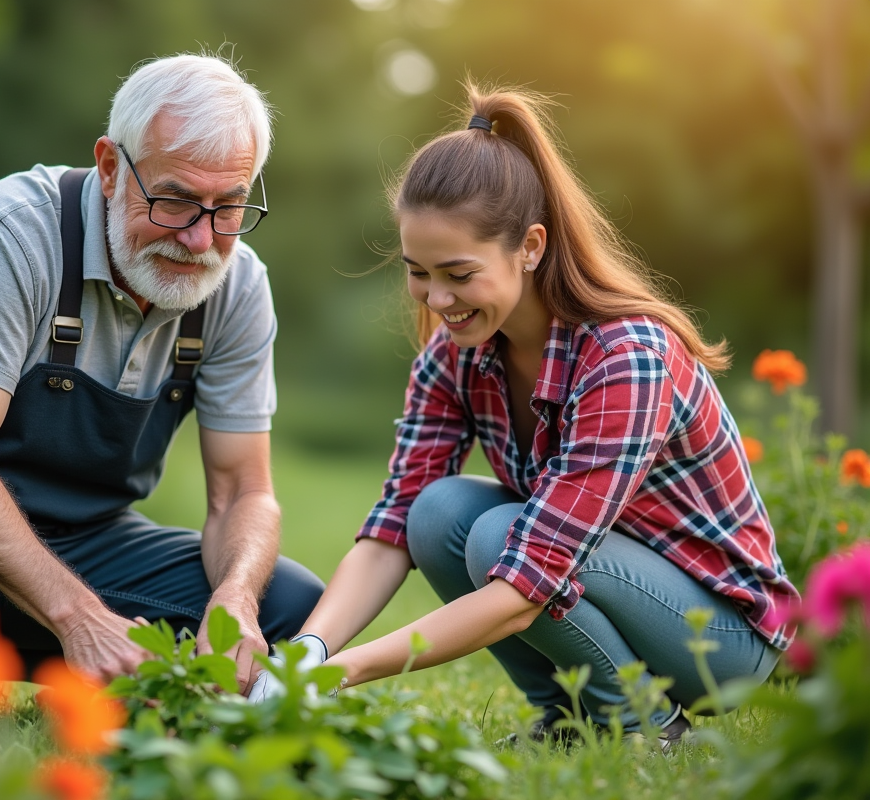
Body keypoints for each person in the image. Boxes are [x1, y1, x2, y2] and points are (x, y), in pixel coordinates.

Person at [251, 82, 798, 747]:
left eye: (458, 272)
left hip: (720, 639)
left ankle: (643, 728)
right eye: (418, 272)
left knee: (496, 539)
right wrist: (307, 650)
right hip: (604, 584)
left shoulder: (625, 357)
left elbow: (528, 580)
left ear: (530, 247)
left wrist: (346, 672)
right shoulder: (456, 356)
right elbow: (396, 523)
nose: (437, 298)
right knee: (437, 513)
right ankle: (569, 721)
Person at [0, 54, 324, 692]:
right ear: (112, 168)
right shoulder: (13, 232)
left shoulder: (238, 285)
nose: (201, 241)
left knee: (292, 607)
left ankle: (163, 705)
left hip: (86, 542)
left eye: (228, 207)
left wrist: (237, 599)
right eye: (175, 201)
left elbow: (243, 493)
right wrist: (78, 615)